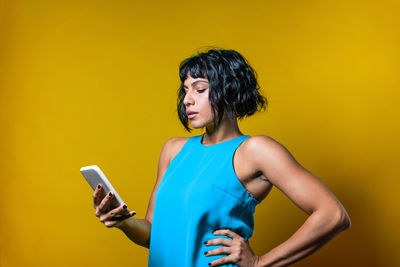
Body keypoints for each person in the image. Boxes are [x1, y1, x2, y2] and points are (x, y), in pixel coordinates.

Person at [92, 49, 351, 266]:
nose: (187, 100)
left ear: (229, 91)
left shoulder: (255, 151)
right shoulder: (173, 150)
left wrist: (260, 263)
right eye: (185, 90)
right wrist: (123, 221)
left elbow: (333, 215)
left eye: (200, 89)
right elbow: (153, 232)